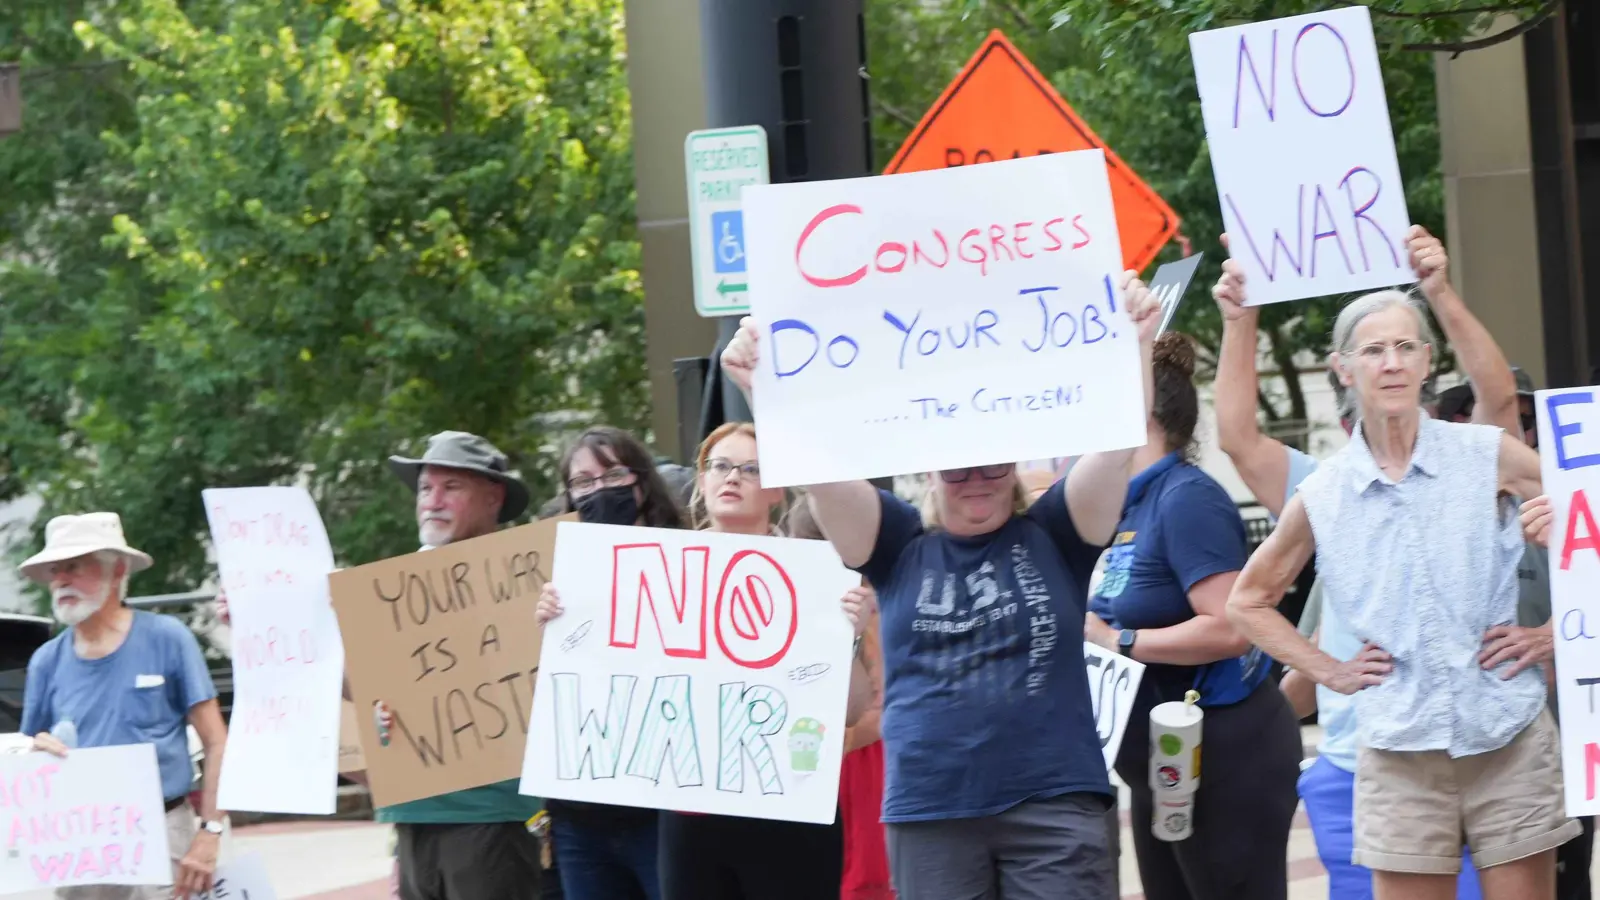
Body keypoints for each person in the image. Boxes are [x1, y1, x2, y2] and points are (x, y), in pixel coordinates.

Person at [717, 269, 1162, 900]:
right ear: (929, 464)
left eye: (994, 461)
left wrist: (1136, 342)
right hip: (932, 811)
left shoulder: (1058, 533)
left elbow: (1118, 443)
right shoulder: (898, 543)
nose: (977, 477)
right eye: (958, 466)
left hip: (1055, 803)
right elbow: (817, 473)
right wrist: (765, 387)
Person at [1226, 272, 1579, 899]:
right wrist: (1330, 671)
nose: (1391, 363)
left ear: (1426, 362)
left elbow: (1591, 512)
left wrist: (1556, 632)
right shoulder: (1324, 493)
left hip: (1509, 736)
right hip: (1396, 752)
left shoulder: (1485, 452)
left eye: (1405, 347)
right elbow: (1248, 601)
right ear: (1342, 369)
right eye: (1373, 350)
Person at [538, 422, 874, 900]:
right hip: (691, 821)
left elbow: (851, 710)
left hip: (787, 813)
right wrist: (559, 623)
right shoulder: (655, 572)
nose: (732, 477)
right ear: (702, 481)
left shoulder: (816, 578)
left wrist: (850, 639)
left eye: (751, 469)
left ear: (776, 490)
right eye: (720, 466)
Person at [1087, 331, 1302, 900]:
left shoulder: (1186, 499)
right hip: (1164, 765)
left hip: (1227, 756)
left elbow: (1232, 627)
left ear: (1140, 414)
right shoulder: (1125, 501)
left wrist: (1119, 639)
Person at [19, 512, 229, 900]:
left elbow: (217, 742)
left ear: (116, 571)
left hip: (164, 829)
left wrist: (210, 832)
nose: (60, 579)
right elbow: (27, 752)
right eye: (55, 570)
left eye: (74, 567)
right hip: (80, 840)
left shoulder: (167, 638)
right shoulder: (46, 661)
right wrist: (34, 750)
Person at [378, 431, 547, 900]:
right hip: (414, 815)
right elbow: (367, 688)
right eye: (425, 488)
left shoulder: (528, 578)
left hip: (492, 814)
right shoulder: (394, 587)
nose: (432, 501)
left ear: (493, 498)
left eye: (451, 487)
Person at [540, 426, 688, 900]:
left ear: (642, 483)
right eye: (582, 482)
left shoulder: (694, 565)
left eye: (614, 475)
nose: (598, 490)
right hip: (580, 816)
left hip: (665, 809)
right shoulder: (548, 576)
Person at [785, 498, 894, 900]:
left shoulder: (871, 607)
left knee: (864, 879)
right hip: (828, 757)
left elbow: (876, 702)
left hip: (860, 760)